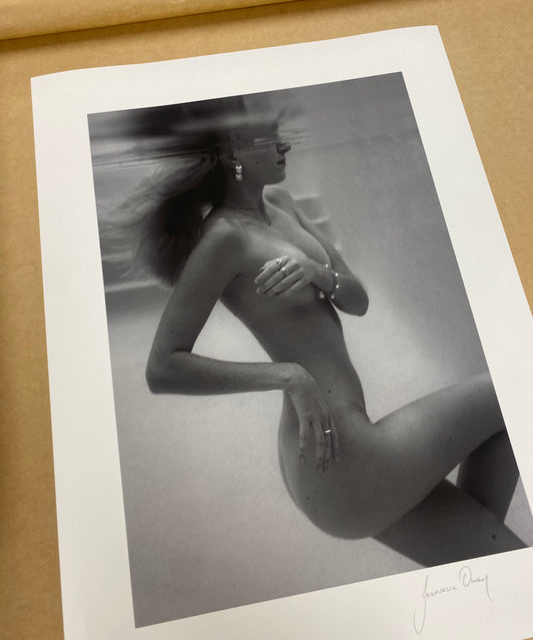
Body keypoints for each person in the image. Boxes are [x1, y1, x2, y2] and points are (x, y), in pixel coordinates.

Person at [121, 100, 525, 566]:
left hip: (344, 459)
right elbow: (162, 368)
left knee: (504, 563)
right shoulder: (224, 238)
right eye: (269, 135)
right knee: (517, 386)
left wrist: (319, 273)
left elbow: (358, 301)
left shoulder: (280, 203)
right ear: (233, 150)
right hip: (341, 458)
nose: (284, 143)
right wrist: (289, 376)